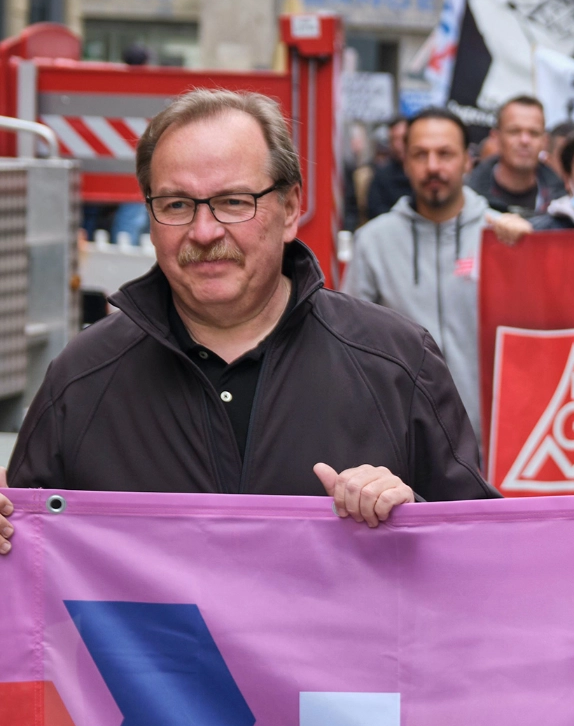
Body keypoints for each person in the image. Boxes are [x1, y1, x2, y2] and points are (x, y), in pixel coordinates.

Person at [6, 90, 497, 530]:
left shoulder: (396, 364)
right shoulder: (83, 379)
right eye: (177, 205)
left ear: (290, 209)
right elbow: (26, 578)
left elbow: (484, 555)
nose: (204, 232)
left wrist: (414, 515)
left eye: (233, 201)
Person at [347, 107, 531, 440]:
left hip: (498, 440)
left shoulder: (502, 237)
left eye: (445, 154)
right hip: (406, 446)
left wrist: (534, 249)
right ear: (406, 162)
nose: (433, 166)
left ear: (467, 161)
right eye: (420, 154)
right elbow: (351, 349)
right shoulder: (372, 242)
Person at [466, 95, 565, 219]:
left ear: (544, 141)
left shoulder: (563, 206)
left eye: (534, 133)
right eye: (514, 131)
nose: (524, 140)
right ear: (496, 137)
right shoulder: (467, 200)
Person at [365, 115, 414, 219]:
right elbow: (375, 212)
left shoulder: (427, 172)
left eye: (403, 138)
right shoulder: (381, 176)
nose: (398, 145)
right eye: (393, 139)